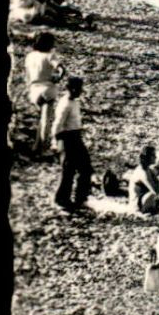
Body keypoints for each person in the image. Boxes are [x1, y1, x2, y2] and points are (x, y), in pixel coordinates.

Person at [52, 77, 91, 213]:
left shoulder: (74, 102)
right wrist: (56, 142)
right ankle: (61, 199)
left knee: (85, 168)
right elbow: (57, 125)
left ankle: (81, 198)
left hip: (76, 137)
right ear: (73, 89)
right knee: (68, 170)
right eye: (79, 88)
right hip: (67, 138)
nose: (81, 91)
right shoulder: (65, 104)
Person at [23, 31, 63, 154]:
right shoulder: (50, 56)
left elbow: (27, 76)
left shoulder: (30, 56)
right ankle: (42, 147)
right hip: (47, 89)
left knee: (40, 119)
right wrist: (58, 77)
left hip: (33, 90)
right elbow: (61, 69)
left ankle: (36, 145)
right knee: (46, 120)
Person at [123, 146, 159, 216]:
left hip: (143, 199)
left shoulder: (148, 169)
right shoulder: (142, 172)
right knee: (154, 194)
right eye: (153, 155)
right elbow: (155, 190)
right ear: (147, 157)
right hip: (138, 205)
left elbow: (157, 183)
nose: (156, 157)